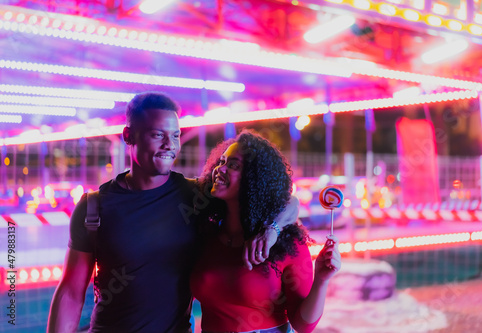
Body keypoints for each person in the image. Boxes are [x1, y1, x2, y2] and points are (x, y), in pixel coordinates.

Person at [47, 92, 298, 333]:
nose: (170, 145)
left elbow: (288, 202)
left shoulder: (196, 197)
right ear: (128, 135)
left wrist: (272, 229)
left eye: (176, 136)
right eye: (158, 135)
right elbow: (70, 291)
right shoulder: (94, 207)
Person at [191, 130, 341, 333]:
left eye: (233, 165)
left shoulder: (286, 243)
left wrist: (322, 280)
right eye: (222, 162)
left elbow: (303, 326)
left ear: (256, 179)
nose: (220, 169)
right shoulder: (206, 233)